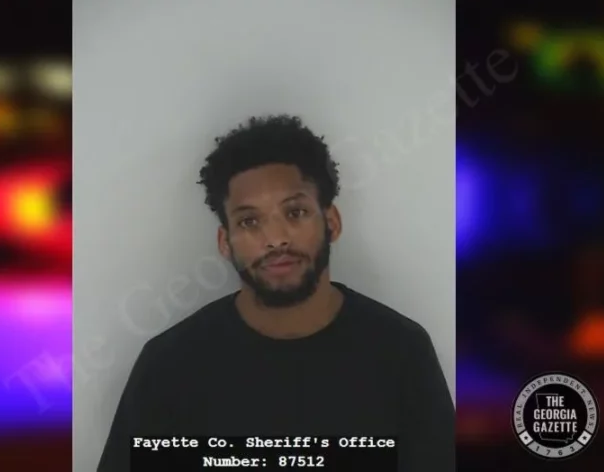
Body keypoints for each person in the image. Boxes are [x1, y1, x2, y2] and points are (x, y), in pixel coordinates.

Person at [97, 114, 454, 471]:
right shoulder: (168, 367)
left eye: (295, 212)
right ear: (225, 242)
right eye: (249, 221)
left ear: (331, 222)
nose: (276, 238)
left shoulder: (401, 353)